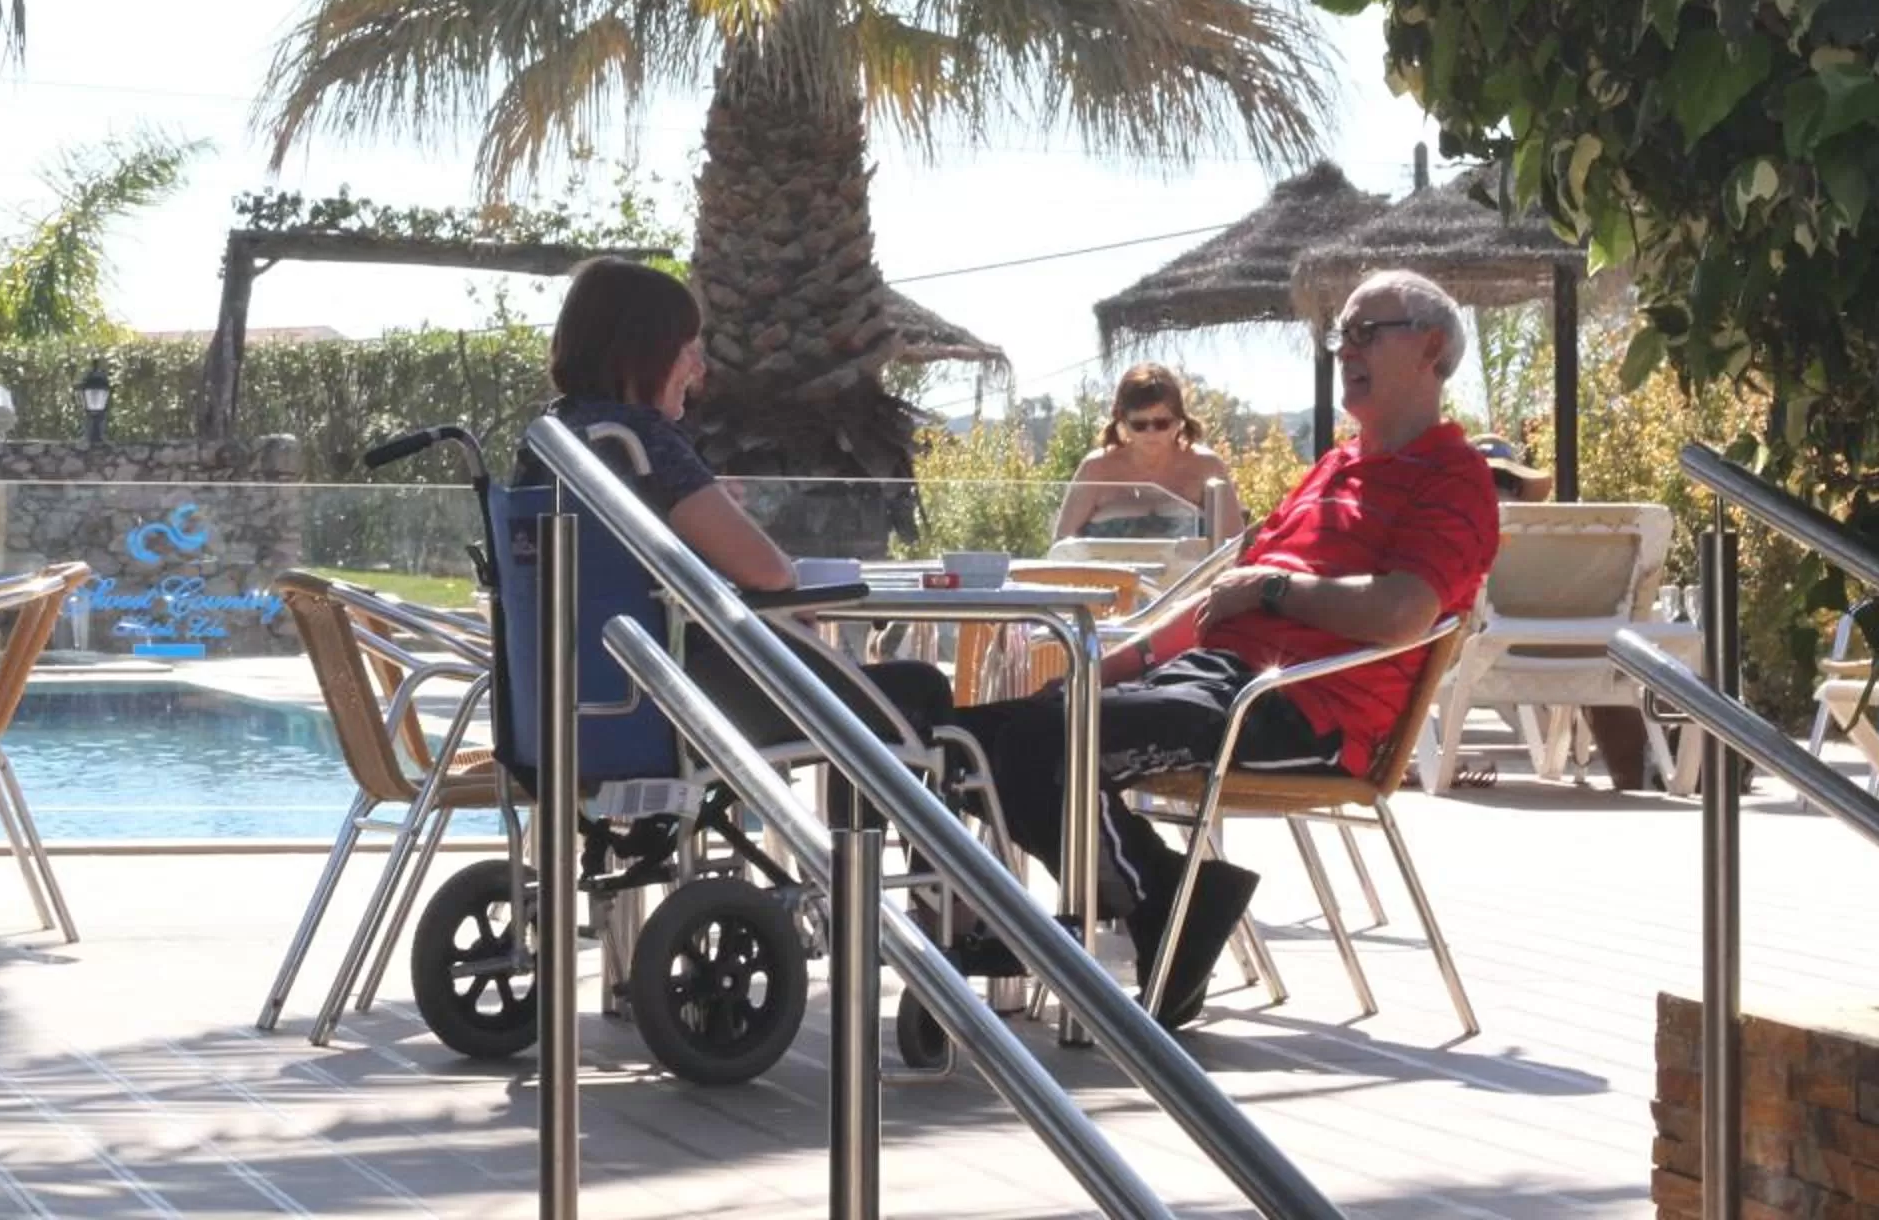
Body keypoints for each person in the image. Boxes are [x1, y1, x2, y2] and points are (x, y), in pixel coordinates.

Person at [947, 268, 1501, 1027]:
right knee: (967, 737)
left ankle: (1148, 909)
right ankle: (1136, 906)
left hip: (1302, 709)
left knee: (1049, 741)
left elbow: (1403, 613)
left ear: (1431, 348)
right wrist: (1106, 665)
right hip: (1217, 679)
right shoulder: (1334, 467)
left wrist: (1274, 591)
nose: (1346, 349)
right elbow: (1220, 597)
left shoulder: (1454, 476)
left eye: (1366, 332)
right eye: (1341, 335)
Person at [515, 256, 954, 746]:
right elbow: (769, 574)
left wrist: (705, 507)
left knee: (870, 696)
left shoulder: (552, 439)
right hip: (679, 702)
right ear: (643, 353)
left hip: (571, 712)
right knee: (918, 689)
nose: (700, 368)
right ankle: (874, 826)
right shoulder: (641, 442)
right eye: (688, 350)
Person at [1050, 364, 1246, 543]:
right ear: (1123, 422)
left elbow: (1233, 546)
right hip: (1108, 580)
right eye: (1140, 425)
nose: (1151, 433)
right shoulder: (1095, 469)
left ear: (1179, 421)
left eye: (1161, 423)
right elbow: (1062, 543)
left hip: (1192, 581)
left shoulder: (1207, 467)